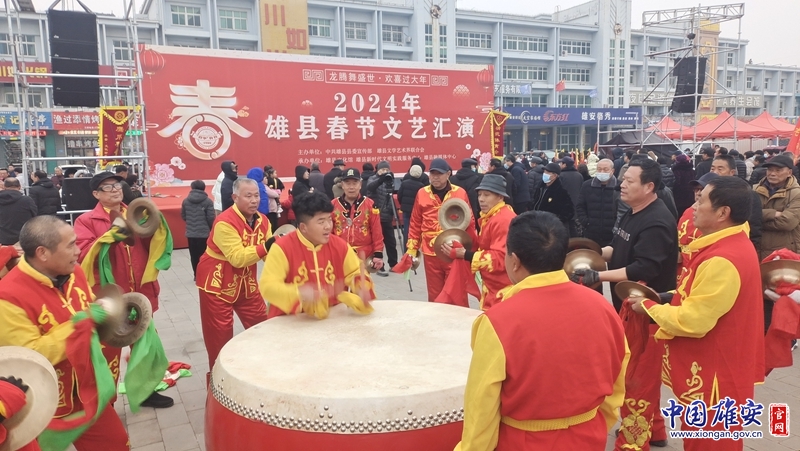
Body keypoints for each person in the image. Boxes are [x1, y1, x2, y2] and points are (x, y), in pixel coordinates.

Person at [455, 211, 628, 451]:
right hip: (588, 435)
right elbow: (616, 383)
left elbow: (482, 407)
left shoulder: (498, 321)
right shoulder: (604, 308)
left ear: (514, 261)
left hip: (522, 442)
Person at [629, 177, 765, 451]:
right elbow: (702, 295)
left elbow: (694, 320)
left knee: (707, 442)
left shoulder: (722, 259)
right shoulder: (732, 243)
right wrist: (666, 297)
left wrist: (649, 307)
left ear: (723, 213)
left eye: (701, 200)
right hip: (722, 367)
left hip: (714, 376)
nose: (693, 206)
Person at [571, 158, 677, 450]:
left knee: (636, 381)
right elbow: (617, 247)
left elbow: (643, 268)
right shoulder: (632, 211)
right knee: (642, 377)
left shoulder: (656, 221)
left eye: (630, 180)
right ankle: (656, 431)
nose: (622, 184)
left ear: (649, 186)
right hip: (629, 308)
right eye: (623, 178)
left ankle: (632, 443)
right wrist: (589, 255)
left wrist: (598, 275)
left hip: (648, 313)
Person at [0, 215, 130, 450]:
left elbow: (92, 313)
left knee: (117, 443)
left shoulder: (75, 273)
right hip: (44, 408)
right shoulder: (8, 297)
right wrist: (82, 324)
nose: (78, 251)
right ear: (42, 253)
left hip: (88, 393)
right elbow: (31, 356)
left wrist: (119, 320)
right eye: (70, 245)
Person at [74, 172, 173, 408]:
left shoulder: (136, 214)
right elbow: (83, 254)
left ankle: (146, 391)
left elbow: (152, 244)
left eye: (117, 184)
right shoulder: (86, 221)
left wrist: (155, 224)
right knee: (108, 349)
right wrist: (110, 237)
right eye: (107, 187)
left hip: (139, 292)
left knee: (145, 343)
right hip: (110, 297)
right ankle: (106, 401)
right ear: (96, 194)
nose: (115, 189)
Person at [260, 191, 374, 318]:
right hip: (292, 320)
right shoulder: (282, 248)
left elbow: (355, 271)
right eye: (321, 222)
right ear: (303, 227)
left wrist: (360, 285)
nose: (328, 226)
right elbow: (268, 286)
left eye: (329, 219)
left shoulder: (340, 245)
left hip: (331, 317)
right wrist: (300, 293)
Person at [196, 178, 272, 370]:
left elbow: (270, 255)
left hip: (247, 283)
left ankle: (264, 371)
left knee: (263, 327)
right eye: (248, 196)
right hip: (217, 284)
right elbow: (237, 258)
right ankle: (217, 382)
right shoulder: (225, 222)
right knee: (219, 339)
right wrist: (266, 247)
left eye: (257, 195)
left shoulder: (263, 221)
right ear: (235, 197)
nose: (254, 200)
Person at [403, 158, 477, 302]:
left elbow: (470, 222)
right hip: (430, 252)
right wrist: (412, 248)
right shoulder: (422, 193)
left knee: (456, 292)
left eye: (439, 174)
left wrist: (471, 251)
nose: (435, 177)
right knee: (435, 293)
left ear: (448, 174)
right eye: (433, 173)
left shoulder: (459, 193)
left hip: (453, 251)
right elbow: (415, 222)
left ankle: (457, 316)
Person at [443, 174, 515, 310]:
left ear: (500, 197)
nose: (481, 199)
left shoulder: (503, 220)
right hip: (493, 286)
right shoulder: (491, 216)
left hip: (503, 290)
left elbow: (501, 258)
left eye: (487, 195)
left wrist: (465, 254)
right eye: (479, 194)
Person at [331, 168, 384, 273]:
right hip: (339, 255)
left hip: (363, 255)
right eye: (347, 183)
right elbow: (329, 231)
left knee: (362, 283)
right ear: (342, 185)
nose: (351, 187)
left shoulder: (370, 204)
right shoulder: (332, 205)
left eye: (354, 183)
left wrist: (378, 253)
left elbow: (376, 230)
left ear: (360, 185)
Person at [710, 155, 762, 252]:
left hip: (737, 247)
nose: (715, 172)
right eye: (712, 169)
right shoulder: (708, 192)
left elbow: (754, 226)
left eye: (720, 169)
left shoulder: (746, 193)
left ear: (732, 172)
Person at [755, 154, 800, 260]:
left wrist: (757, 222)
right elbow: (746, 215)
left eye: (778, 170)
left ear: (789, 172)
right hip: (757, 249)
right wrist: (773, 213)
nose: (772, 174)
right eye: (770, 170)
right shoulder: (754, 190)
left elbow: (787, 223)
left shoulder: (796, 194)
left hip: (783, 252)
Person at [575, 159, 618, 247]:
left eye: (605, 169)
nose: (602, 172)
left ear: (612, 171)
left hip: (612, 235)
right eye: (599, 169)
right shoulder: (587, 185)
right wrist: (586, 222)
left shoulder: (619, 187)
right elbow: (580, 206)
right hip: (591, 233)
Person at [366, 161, 398, 272]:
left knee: (391, 242)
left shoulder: (389, 180)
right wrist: (381, 179)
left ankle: (394, 264)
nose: (385, 172)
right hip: (376, 217)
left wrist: (393, 212)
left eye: (387, 170)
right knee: (378, 242)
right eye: (383, 169)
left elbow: (390, 197)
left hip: (387, 216)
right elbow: (370, 187)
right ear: (378, 170)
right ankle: (380, 265)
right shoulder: (373, 178)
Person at [181, 180, 215, 279]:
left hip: (190, 233)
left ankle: (196, 275)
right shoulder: (208, 201)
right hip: (204, 233)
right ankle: (204, 275)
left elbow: (183, 215)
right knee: (204, 255)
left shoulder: (186, 201)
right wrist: (210, 228)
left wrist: (191, 222)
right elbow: (210, 218)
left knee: (193, 255)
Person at [530, 163, 574, 232]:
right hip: (538, 224)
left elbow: (569, 211)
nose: (544, 174)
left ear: (554, 176)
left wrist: (554, 221)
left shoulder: (560, 191)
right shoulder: (540, 187)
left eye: (547, 172)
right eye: (544, 172)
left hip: (551, 228)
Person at [0, 178, 36, 244]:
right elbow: (34, 216)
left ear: (4, 187)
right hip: (22, 238)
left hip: (2, 239)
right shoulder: (27, 200)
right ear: (19, 187)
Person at [397, 165, 426, 244]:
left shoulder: (404, 183)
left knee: (406, 229)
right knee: (416, 228)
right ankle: (415, 245)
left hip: (406, 210)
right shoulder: (421, 186)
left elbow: (399, 195)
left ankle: (406, 247)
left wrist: (402, 204)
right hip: (416, 211)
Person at [450, 158, 483, 226]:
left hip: (454, 210)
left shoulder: (452, 179)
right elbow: (474, 197)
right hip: (471, 212)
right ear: (472, 166)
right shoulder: (476, 178)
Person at [264, 165, 284, 231]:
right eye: (275, 173)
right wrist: (277, 193)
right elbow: (272, 193)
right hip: (271, 207)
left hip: (273, 204)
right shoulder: (266, 185)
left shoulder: (276, 180)